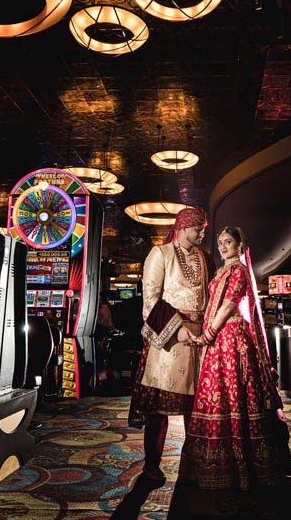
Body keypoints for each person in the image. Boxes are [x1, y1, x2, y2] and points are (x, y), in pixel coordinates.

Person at [183, 225, 291, 490]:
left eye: (228, 242)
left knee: (233, 396)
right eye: (220, 242)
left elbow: (229, 305)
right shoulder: (221, 271)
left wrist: (208, 334)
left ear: (239, 245)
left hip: (231, 338)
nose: (223, 247)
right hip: (219, 340)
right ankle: (217, 464)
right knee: (216, 395)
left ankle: (242, 468)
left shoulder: (239, 271)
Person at [128, 207, 210, 483]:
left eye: (203, 230)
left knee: (196, 407)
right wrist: (178, 331)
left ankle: (193, 464)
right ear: (183, 227)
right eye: (198, 229)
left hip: (200, 339)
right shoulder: (160, 254)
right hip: (169, 339)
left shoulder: (205, 258)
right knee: (158, 409)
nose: (202, 234)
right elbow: (151, 299)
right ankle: (151, 465)